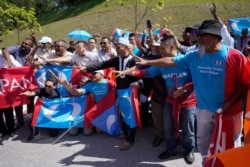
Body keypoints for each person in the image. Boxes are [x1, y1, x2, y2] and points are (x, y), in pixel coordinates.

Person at [134, 19, 250, 166]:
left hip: (230, 112)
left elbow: (246, 84)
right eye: (198, 34)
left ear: (215, 37)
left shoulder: (235, 57)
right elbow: (171, 61)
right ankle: (207, 163)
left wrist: (230, 103)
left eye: (202, 35)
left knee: (231, 145)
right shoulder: (194, 56)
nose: (198, 38)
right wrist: (148, 63)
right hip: (204, 110)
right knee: (202, 141)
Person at [115, 36, 197, 164]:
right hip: (170, 100)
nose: (160, 51)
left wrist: (185, 89)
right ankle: (171, 149)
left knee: (188, 129)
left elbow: (197, 80)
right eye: (159, 49)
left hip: (188, 101)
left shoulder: (186, 60)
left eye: (163, 48)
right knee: (168, 127)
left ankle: (188, 150)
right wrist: (129, 72)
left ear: (172, 47)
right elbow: (145, 73)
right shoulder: (161, 64)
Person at [78, 37, 141, 151]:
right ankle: (126, 133)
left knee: (130, 116)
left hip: (130, 92)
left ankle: (130, 140)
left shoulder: (133, 60)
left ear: (126, 47)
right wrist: (86, 68)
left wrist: (139, 84)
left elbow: (141, 75)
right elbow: (102, 64)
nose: (116, 49)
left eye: (118, 47)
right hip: (120, 91)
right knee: (123, 114)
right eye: (116, 47)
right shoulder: (117, 60)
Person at [49, 69, 116, 136]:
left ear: (101, 75)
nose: (92, 75)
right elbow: (77, 92)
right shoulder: (89, 85)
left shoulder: (109, 82)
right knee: (98, 131)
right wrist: (69, 88)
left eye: (94, 73)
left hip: (110, 109)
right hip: (98, 110)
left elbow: (116, 92)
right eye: (91, 74)